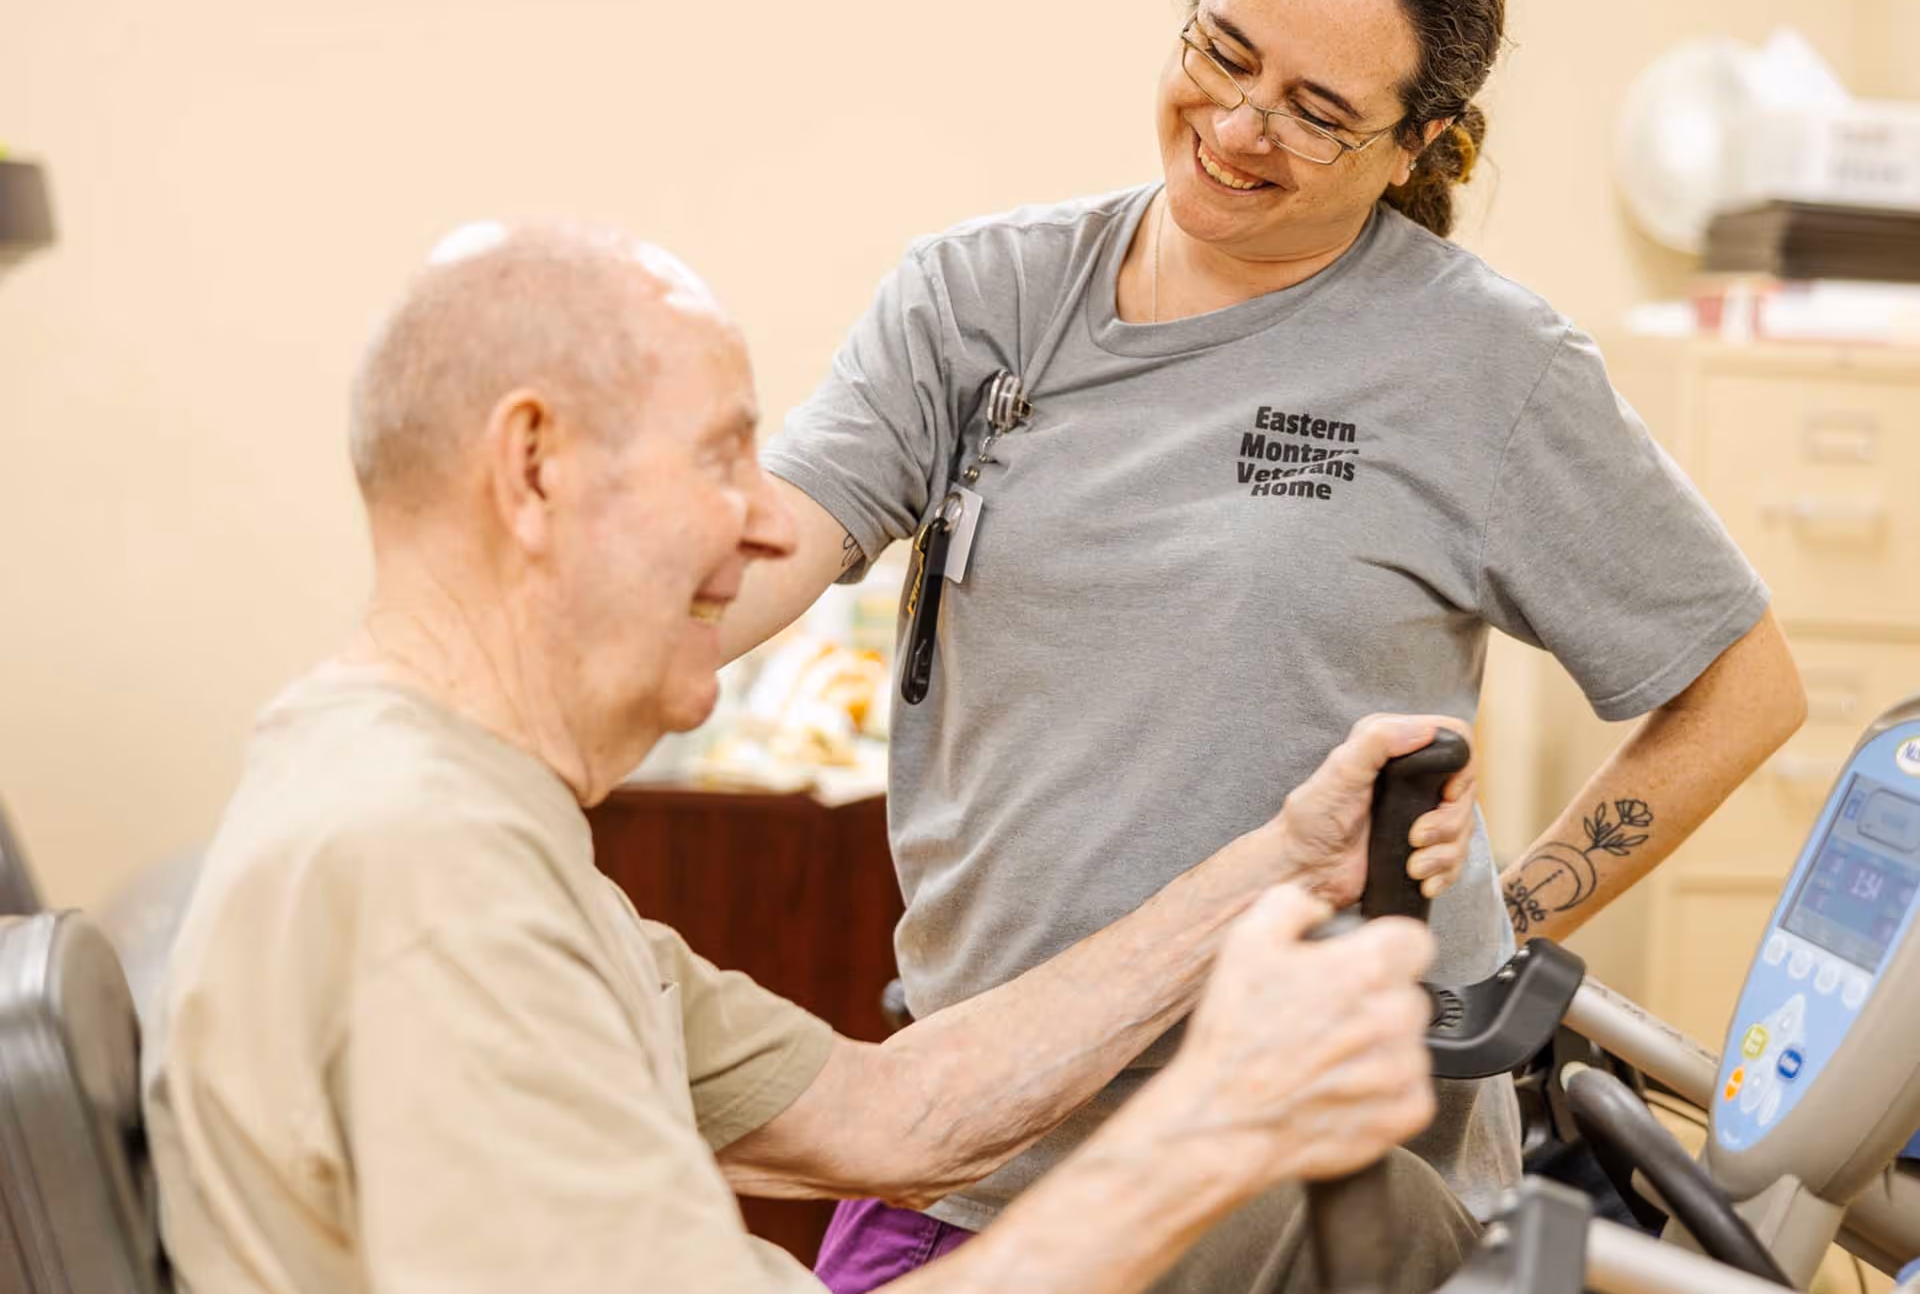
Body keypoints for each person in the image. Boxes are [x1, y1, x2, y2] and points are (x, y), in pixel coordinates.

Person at [721, 0, 1809, 1284]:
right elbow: (770, 546)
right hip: (972, 1150)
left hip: (1307, 1193)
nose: (1237, 128)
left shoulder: (1482, 366)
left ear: (1416, 143)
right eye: (1223, 56)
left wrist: (1512, 924)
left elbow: (1740, 687)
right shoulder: (981, 300)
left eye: (1317, 113)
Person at [144, 224, 1486, 1294]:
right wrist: (1221, 1122)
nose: (768, 534)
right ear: (535, 469)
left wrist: (1286, 868)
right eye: (724, 459)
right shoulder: (426, 883)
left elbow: (903, 1115)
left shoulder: (456, 821)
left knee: (1378, 1228)